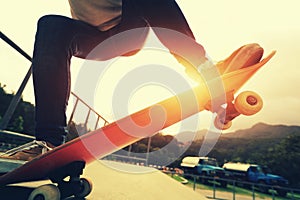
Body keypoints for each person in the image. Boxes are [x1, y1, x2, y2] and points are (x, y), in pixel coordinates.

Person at [2, 0, 214, 161]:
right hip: (89, 37)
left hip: (128, 30)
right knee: (51, 27)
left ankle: (199, 66)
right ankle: (48, 142)